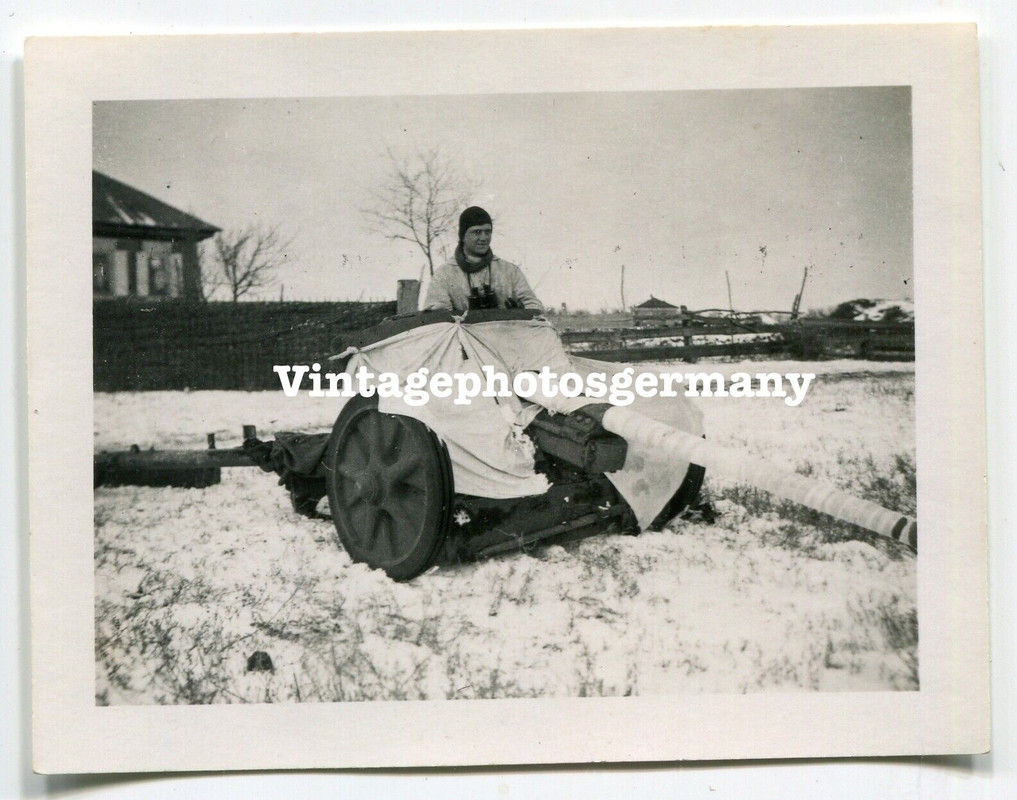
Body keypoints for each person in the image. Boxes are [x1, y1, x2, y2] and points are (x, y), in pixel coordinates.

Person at [423, 206, 544, 313]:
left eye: (488, 232)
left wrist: (520, 310)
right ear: (463, 236)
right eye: (477, 232)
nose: (484, 238)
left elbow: (534, 306)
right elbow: (436, 315)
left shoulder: (509, 271)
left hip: (506, 335)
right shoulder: (445, 274)